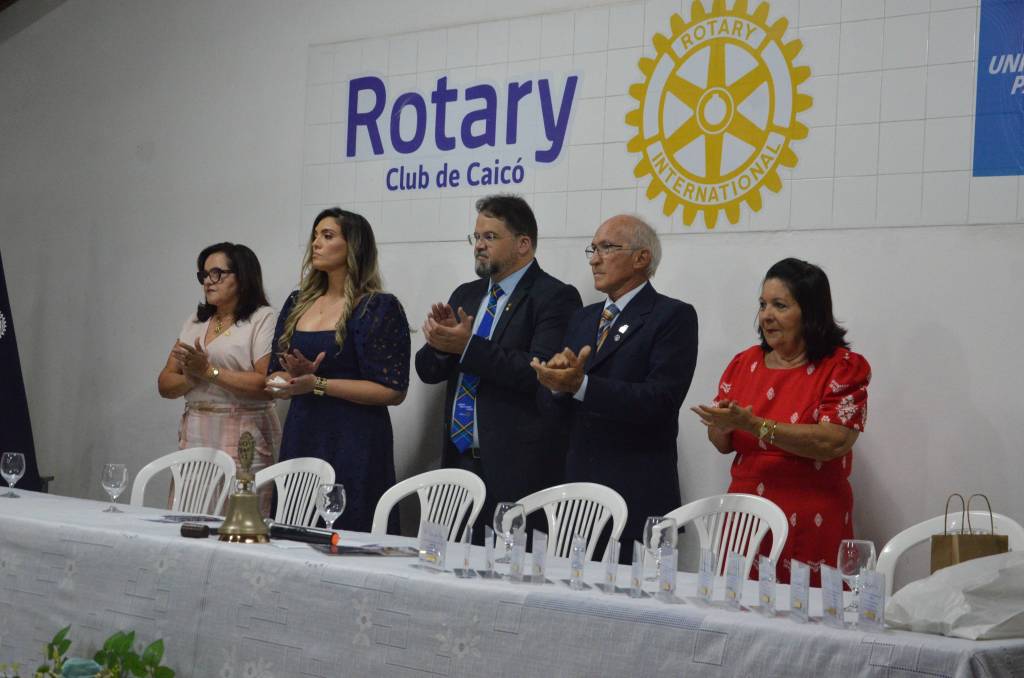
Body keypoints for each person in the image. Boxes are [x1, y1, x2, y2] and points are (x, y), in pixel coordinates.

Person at [691, 257, 870, 585]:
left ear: (810, 313)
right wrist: (721, 427)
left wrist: (754, 425)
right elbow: (723, 444)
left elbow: (832, 442)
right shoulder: (744, 363)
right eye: (763, 305)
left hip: (813, 518)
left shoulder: (842, 367)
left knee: (812, 610)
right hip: (747, 520)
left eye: (780, 305)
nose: (766, 315)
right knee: (739, 608)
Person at [415, 194, 582, 542]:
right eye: (476, 237)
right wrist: (441, 345)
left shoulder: (554, 297)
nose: (479, 246)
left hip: (516, 469)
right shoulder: (466, 294)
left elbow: (537, 372)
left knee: (508, 570)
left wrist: (467, 347)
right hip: (457, 462)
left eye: (490, 237)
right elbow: (428, 371)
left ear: (523, 244)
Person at [532, 215, 698, 551]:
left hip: (637, 494)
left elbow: (660, 400)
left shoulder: (672, 316)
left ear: (641, 258)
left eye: (606, 248)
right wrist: (555, 385)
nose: (594, 259)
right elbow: (555, 412)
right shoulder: (583, 318)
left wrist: (581, 386)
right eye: (592, 249)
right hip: (579, 498)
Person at [266, 208, 410, 533]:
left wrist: (318, 383)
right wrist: (286, 383)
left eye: (327, 236)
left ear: (353, 246)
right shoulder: (297, 302)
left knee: (347, 532)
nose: (316, 243)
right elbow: (273, 375)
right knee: (293, 530)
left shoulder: (377, 306)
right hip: (303, 432)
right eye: (315, 235)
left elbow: (393, 390)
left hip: (355, 438)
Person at [158, 242, 280, 514]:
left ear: (242, 276)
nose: (208, 282)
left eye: (217, 274)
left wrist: (209, 372)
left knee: (239, 518)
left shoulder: (262, 318)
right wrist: (192, 380)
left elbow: (267, 384)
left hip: (244, 427)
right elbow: (165, 384)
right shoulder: (196, 321)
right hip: (197, 428)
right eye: (203, 275)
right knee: (188, 515)